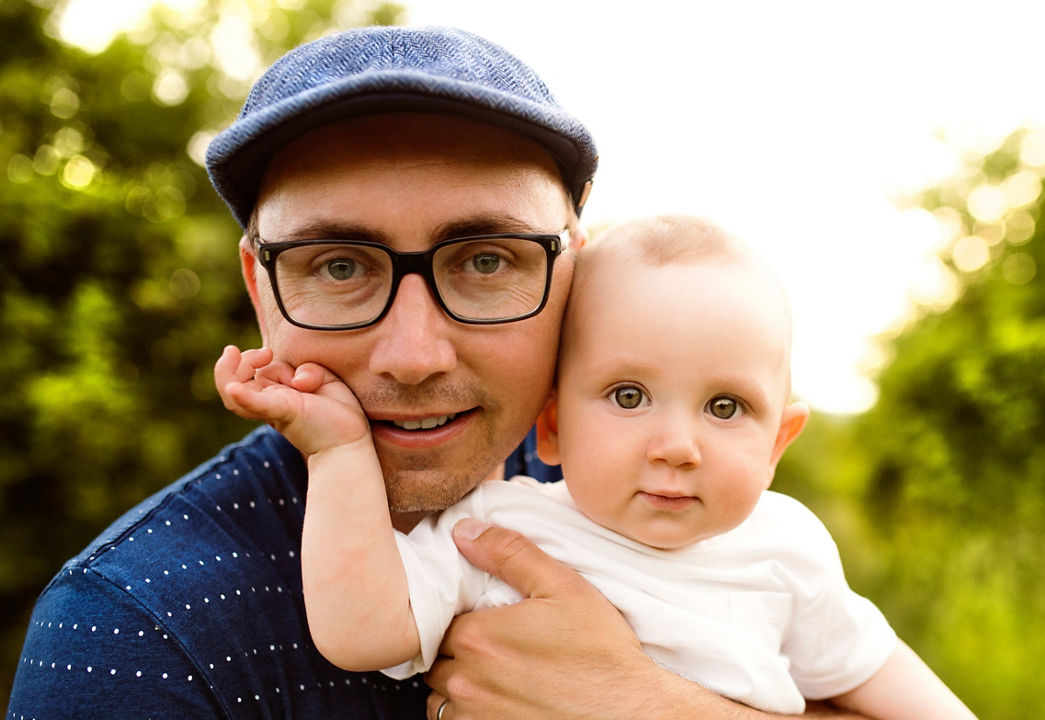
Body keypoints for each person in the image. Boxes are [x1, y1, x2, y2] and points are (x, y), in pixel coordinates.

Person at [5, 25, 924, 719]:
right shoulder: (134, 635)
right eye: (338, 265)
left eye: (486, 261)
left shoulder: (648, 488)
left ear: (575, 269)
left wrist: (645, 702)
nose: (414, 356)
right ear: (259, 282)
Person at [215, 215, 978, 718]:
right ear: (551, 425)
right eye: (627, 394)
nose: (678, 444)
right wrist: (340, 452)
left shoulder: (787, 550)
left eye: (725, 408)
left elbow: (889, 683)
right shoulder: (500, 528)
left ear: (779, 444)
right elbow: (362, 633)